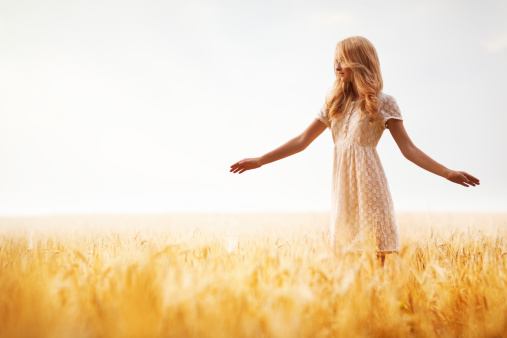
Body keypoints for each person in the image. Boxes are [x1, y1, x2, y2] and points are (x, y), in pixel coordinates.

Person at [229, 36, 480, 267]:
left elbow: (409, 149)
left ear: (361, 62)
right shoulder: (334, 102)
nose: (337, 66)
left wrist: (447, 173)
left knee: (375, 260)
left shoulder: (384, 102)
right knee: (347, 263)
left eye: (343, 60)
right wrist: (260, 160)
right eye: (335, 61)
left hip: (370, 187)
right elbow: (302, 140)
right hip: (343, 189)